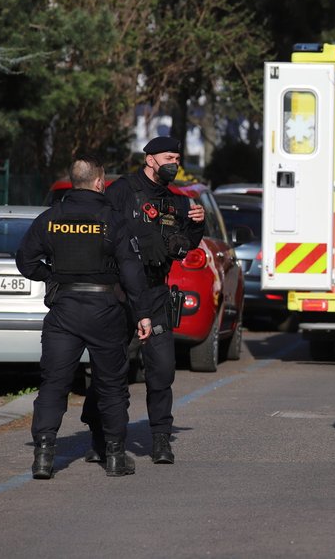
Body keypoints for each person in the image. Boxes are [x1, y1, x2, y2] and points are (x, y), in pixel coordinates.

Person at [17, 155, 154, 479]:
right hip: (105, 312)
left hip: (64, 311)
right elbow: (132, 271)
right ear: (98, 182)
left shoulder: (50, 218)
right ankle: (116, 457)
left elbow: (25, 260)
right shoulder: (113, 220)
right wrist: (143, 315)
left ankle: (44, 456)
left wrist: (52, 274)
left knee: (54, 384)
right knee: (111, 385)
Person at [85, 136, 205, 465]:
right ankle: (100, 436)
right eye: (169, 157)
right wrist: (137, 240)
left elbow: (188, 244)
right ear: (150, 159)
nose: (174, 163)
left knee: (162, 369)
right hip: (119, 294)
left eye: (178, 158)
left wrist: (197, 223)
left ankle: (161, 439)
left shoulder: (177, 201)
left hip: (154, 294)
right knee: (110, 370)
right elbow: (99, 230)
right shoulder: (122, 191)